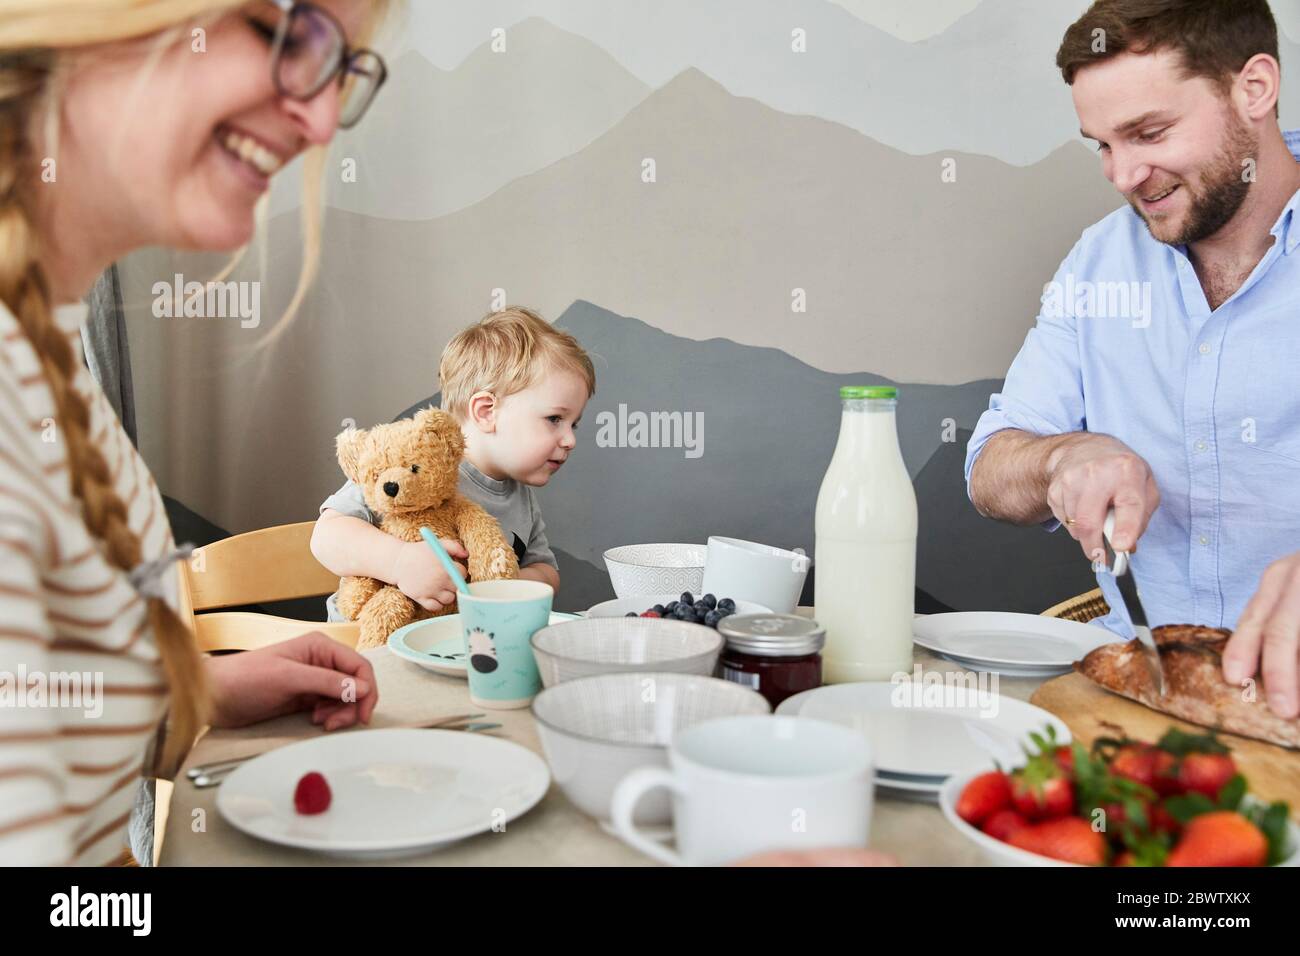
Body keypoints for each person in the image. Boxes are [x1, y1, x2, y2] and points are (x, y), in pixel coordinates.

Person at [0, 0, 394, 865]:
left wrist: (192, 693)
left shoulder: (46, 353)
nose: (321, 120)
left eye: (339, 71)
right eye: (291, 35)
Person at [966, 0, 1300, 719]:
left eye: (1148, 133)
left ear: (1254, 88)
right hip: (1142, 702)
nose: (1123, 175)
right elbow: (991, 467)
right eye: (1103, 145)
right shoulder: (1100, 262)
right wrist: (1064, 457)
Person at [312, 307, 594, 618]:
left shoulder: (520, 496)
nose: (570, 440)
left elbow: (546, 572)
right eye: (555, 419)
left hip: (456, 648)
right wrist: (399, 561)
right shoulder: (411, 461)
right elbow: (328, 536)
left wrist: (499, 586)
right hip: (368, 649)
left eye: (573, 424)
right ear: (486, 412)